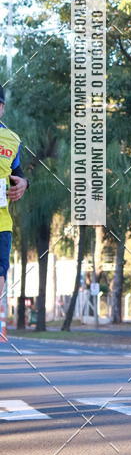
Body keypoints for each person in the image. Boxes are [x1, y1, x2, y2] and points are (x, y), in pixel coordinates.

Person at [0, 84, 30, 299]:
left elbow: (17, 173)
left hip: (1, 223)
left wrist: (24, 184)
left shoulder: (12, 139)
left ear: (2, 108)